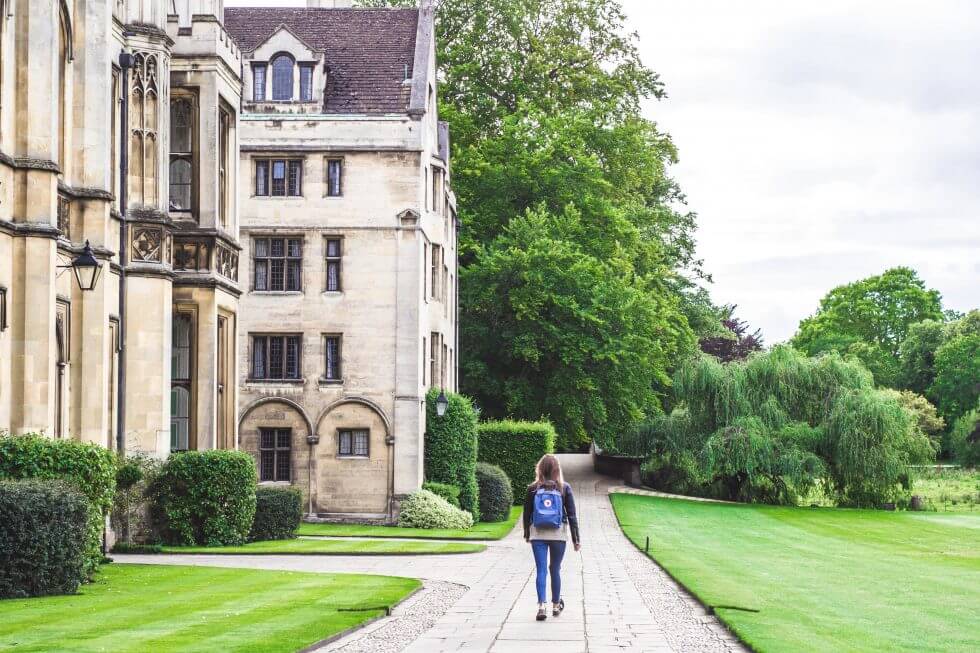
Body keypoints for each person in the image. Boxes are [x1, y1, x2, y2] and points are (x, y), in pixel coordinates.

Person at [523, 454, 580, 621]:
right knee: (555, 569)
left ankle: (542, 606)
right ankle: (556, 605)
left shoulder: (533, 488)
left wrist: (527, 534)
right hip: (558, 534)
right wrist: (576, 539)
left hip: (538, 534)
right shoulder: (564, 488)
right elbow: (572, 516)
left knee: (541, 570)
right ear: (557, 470)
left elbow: (526, 514)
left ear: (540, 468)